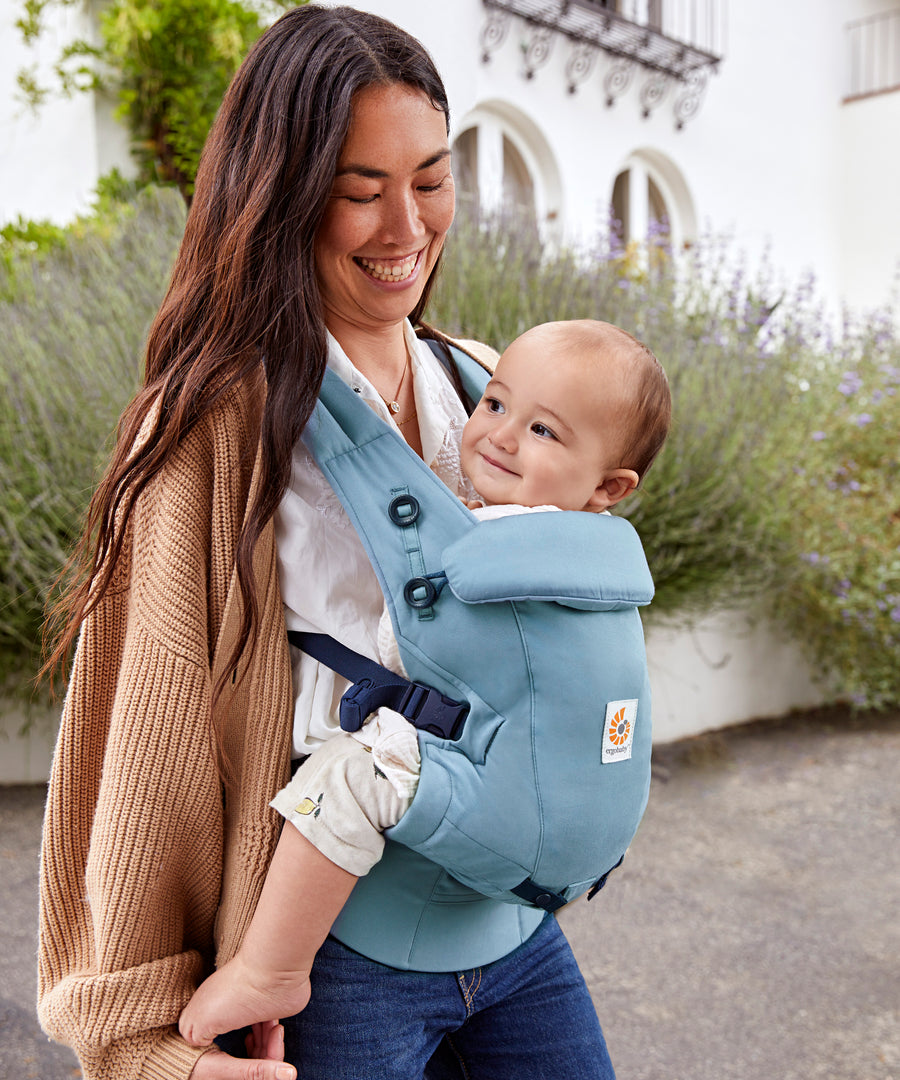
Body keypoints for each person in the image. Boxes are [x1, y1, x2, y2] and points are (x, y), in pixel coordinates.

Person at [37, 6, 625, 1079]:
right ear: (280, 195)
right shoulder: (211, 429)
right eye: (360, 191)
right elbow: (142, 748)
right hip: (334, 961)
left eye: (432, 179)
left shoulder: (476, 383)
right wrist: (144, 1048)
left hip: (510, 934)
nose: (406, 225)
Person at [177, 317, 671, 1050]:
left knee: (349, 774)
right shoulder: (605, 562)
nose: (500, 436)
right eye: (496, 404)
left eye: (543, 431)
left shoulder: (495, 540)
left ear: (608, 485)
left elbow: (402, 640)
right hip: (558, 859)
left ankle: (270, 968)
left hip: (494, 829)